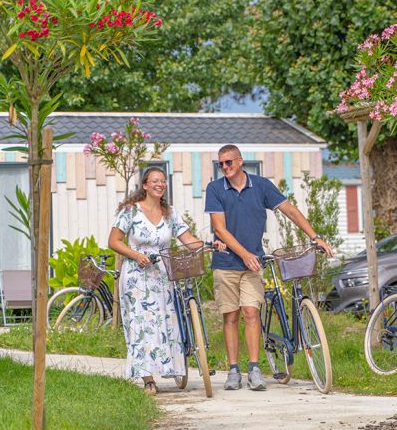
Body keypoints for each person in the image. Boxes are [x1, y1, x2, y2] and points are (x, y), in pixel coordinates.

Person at [205, 144, 332, 391]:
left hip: (254, 263)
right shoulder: (215, 188)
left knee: (252, 313)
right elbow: (220, 229)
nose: (224, 167)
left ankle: (254, 369)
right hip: (226, 264)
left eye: (228, 162)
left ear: (240, 161)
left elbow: (291, 212)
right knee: (231, 316)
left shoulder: (261, 185)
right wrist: (244, 254)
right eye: (220, 164)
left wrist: (315, 237)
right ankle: (233, 371)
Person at [109, 166, 222, 395]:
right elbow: (114, 241)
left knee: (164, 323)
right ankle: (148, 378)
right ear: (145, 186)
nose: (160, 184)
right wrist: (136, 255)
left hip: (162, 275)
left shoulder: (169, 212)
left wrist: (208, 245)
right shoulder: (131, 211)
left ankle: (169, 367)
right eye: (155, 181)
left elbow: (187, 239)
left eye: (163, 181)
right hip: (136, 277)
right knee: (141, 325)